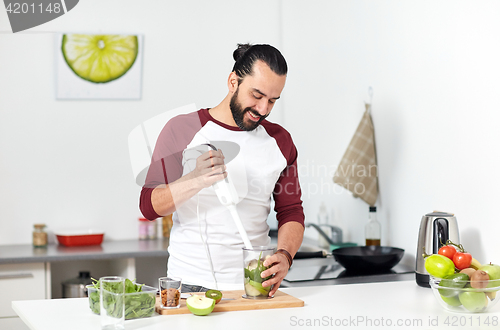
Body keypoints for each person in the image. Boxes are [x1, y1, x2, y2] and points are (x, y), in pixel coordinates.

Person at [140, 43, 304, 297]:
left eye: (272, 100)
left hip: (255, 284)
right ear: (233, 81)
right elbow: (149, 207)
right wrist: (194, 179)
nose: (263, 109)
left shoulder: (280, 141)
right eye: (257, 95)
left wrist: (284, 255)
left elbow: (291, 210)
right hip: (190, 285)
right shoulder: (182, 130)